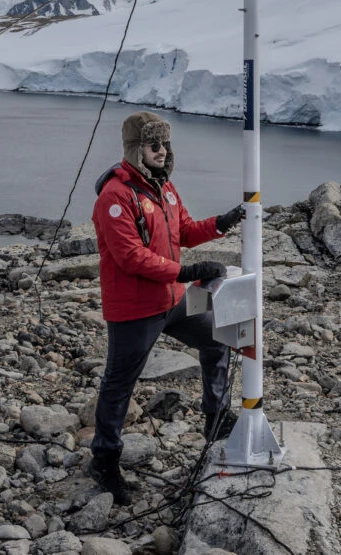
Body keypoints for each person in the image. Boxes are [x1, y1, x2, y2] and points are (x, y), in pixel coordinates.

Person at [86, 111, 246, 504]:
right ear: (135, 149)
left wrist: (221, 224)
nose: (162, 151)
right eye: (154, 144)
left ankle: (216, 418)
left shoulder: (165, 188)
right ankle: (105, 460)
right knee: (119, 384)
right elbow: (130, 257)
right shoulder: (116, 197)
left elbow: (185, 231)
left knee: (218, 337)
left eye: (165, 144)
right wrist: (186, 271)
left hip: (171, 302)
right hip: (136, 309)